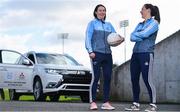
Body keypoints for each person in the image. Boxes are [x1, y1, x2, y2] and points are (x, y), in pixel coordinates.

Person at [125, 3, 160, 112]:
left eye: (142, 9)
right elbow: (131, 37)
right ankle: (136, 104)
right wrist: (140, 34)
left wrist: (138, 35)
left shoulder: (154, 23)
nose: (141, 11)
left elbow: (145, 34)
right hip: (135, 54)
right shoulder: (140, 24)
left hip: (146, 54)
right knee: (134, 79)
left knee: (147, 79)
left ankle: (153, 105)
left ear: (148, 10)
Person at [85, 4, 116, 110]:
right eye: (100, 10)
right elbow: (87, 38)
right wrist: (90, 51)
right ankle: (92, 102)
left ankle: (106, 102)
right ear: (96, 12)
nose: (102, 12)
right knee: (96, 77)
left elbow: (114, 37)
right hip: (96, 54)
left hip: (108, 54)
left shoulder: (109, 25)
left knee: (107, 78)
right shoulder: (92, 24)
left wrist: (120, 39)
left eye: (104, 10)